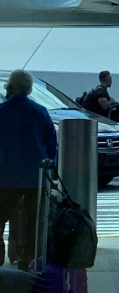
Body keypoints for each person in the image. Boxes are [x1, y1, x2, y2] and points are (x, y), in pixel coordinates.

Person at [0, 70, 58, 270]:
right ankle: (28, 260)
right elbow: (51, 146)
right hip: (36, 177)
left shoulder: (1, 111)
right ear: (30, 89)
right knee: (34, 222)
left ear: (10, 87)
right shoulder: (40, 111)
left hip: (5, 177)